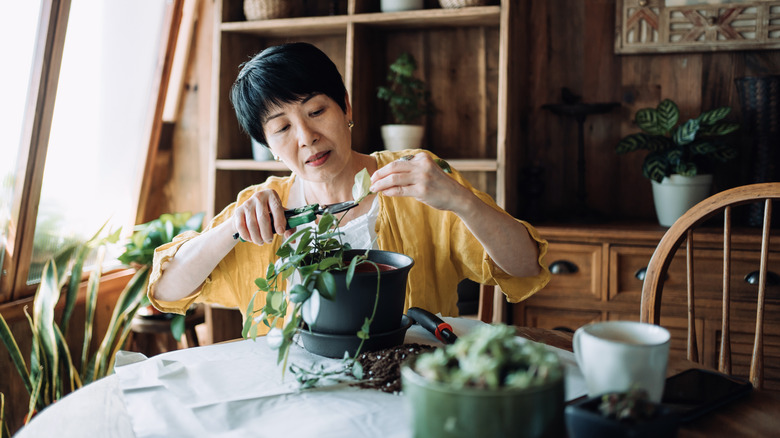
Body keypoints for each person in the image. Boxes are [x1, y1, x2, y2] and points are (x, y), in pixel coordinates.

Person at [148, 42, 550, 330]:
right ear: (268, 146)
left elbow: (525, 268)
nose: (306, 137)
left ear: (346, 107)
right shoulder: (263, 208)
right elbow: (166, 291)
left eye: (316, 111)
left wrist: (461, 200)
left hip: (408, 383)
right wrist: (231, 229)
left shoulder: (416, 179)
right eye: (283, 128)